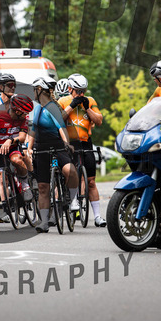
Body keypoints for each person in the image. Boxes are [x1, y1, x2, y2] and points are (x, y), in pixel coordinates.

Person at [27, 77, 78, 233]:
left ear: (40, 90)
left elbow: (61, 127)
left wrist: (67, 143)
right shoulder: (37, 108)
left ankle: (70, 197)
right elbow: (33, 129)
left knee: (70, 171)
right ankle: (44, 222)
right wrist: (29, 148)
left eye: (34, 89)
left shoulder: (53, 107)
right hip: (40, 149)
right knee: (43, 187)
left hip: (57, 147)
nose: (33, 92)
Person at [58, 73, 107, 227]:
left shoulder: (90, 101)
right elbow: (58, 120)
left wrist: (87, 108)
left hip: (86, 143)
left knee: (91, 181)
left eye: (83, 91)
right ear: (70, 89)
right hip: (69, 144)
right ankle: (72, 200)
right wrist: (72, 106)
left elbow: (99, 121)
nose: (81, 94)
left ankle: (97, 216)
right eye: (78, 91)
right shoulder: (62, 101)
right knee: (72, 175)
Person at [0, 94, 33, 223]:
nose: (27, 115)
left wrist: (10, 140)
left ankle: (25, 185)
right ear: (17, 111)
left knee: (17, 160)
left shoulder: (23, 118)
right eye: (25, 112)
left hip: (12, 149)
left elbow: (22, 137)